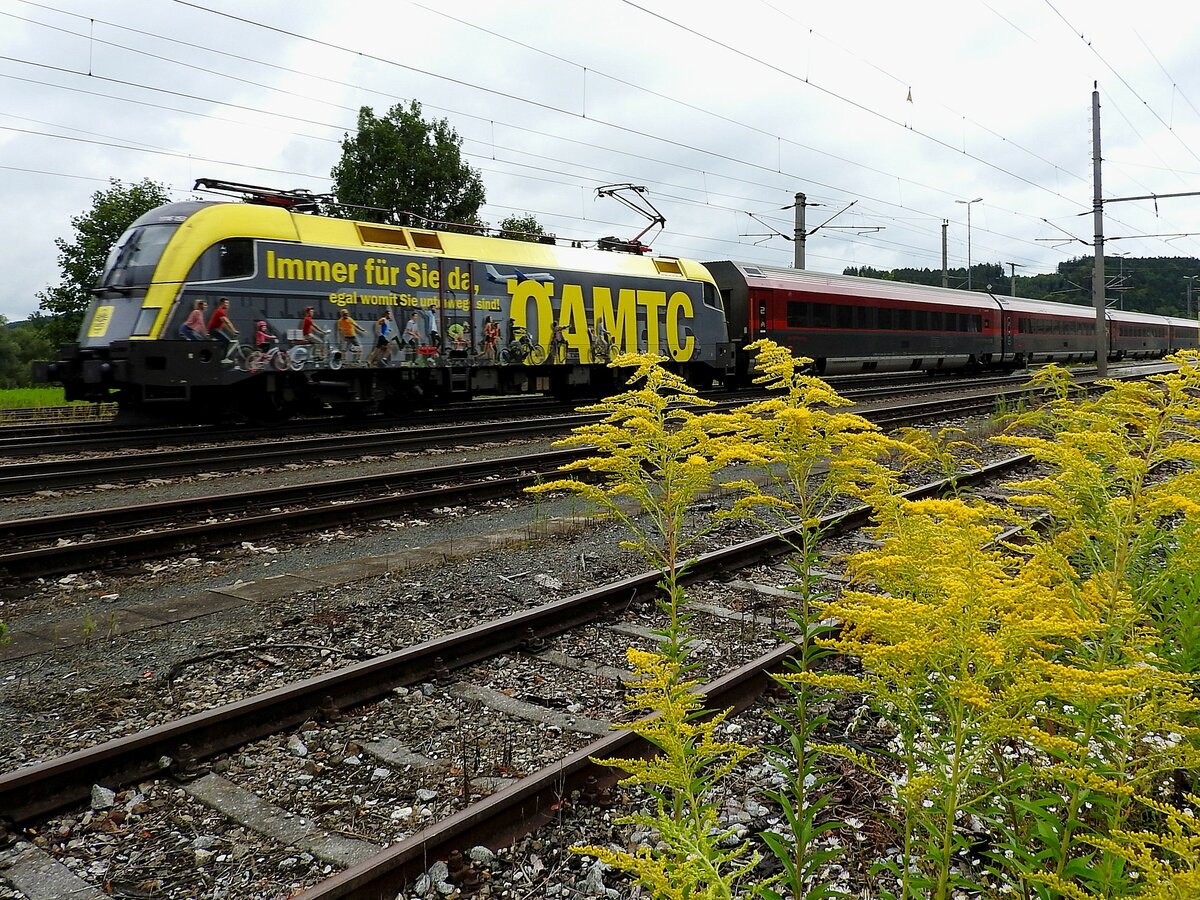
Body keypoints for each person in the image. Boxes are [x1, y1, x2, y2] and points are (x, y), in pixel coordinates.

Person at [206, 298, 239, 362]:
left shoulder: (221, 311)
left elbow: (225, 324)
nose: (227, 305)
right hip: (213, 330)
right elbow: (227, 322)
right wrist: (234, 331)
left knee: (224, 341)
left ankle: (217, 353)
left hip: (214, 329)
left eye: (228, 303)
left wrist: (231, 331)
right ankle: (223, 358)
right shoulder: (220, 311)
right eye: (226, 303)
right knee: (227, 341)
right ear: (222, 304)